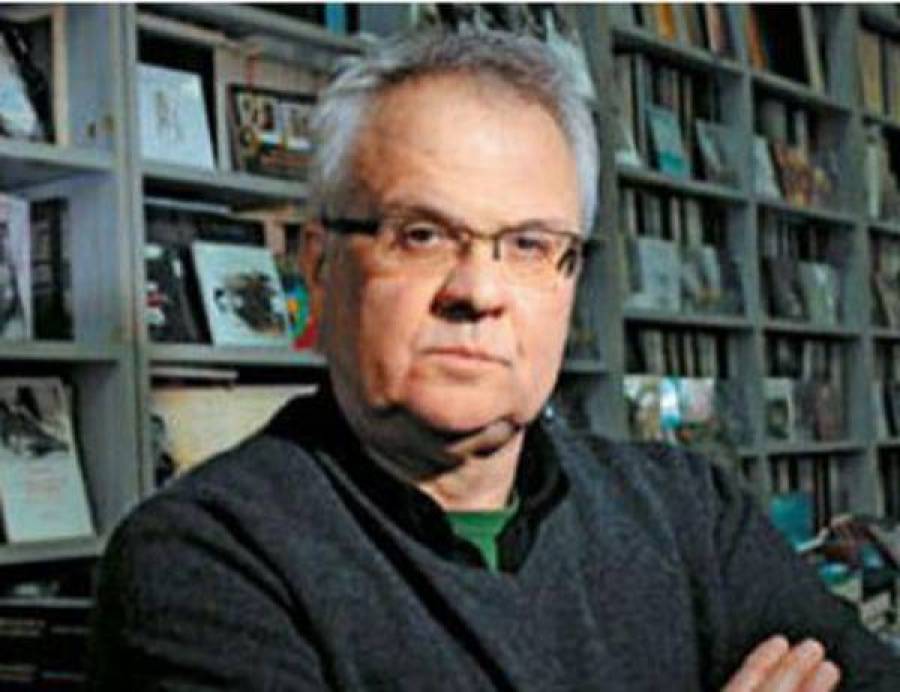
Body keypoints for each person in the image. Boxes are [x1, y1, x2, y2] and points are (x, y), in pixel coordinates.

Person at [89, 28, 900, 691]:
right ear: (319, 266)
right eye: (421, 235)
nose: (477, 291)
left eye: (529, 245)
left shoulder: (689, 513)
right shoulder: (201, 559)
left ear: (570, 277)